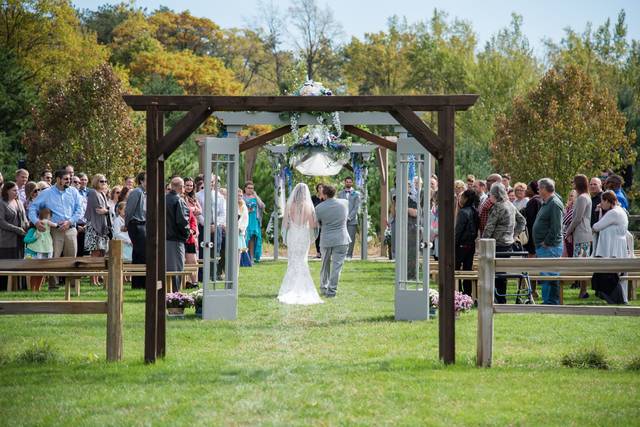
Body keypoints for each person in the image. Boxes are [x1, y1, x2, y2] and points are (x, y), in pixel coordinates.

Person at [28, 169, 83, 291]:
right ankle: (53, 286)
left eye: (69, 178)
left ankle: (73, 286)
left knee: (72, 259)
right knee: (53, 258)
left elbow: (79, 209)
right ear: (58, 179)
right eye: (66, 179)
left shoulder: (73, 192)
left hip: (70, 229)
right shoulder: (47, 193)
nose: (69, 181)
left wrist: (70, 222)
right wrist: (36, 222)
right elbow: (32, 207)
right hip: (55, 230)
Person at [277, 183, 323, 305]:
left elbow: (285, 224)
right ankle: (302, 286)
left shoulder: (289, 205)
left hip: (293, 234)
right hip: (303, 235)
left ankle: (290, 286)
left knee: (292, 260)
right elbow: (313, 226)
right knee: (302, 260)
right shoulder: (308, 206)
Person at [482, 183, 526, 303]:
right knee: (502, 274)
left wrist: (482, 243)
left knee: (494, 274)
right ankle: (502, 298)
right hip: (508, 245)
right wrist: (514, 234)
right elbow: (522, 221)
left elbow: (489, 227)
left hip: (496, 245)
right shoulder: (510, 205)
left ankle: (496, 299)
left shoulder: (498, 207)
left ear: (495, 194)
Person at [592, 190, 630, 304]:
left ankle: (619, 299)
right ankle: (616, 299)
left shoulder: (614, 213)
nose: (601, 204)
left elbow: (597, 226)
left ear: (608, 201)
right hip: (613, 247)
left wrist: (600, 213)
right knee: (605, 274)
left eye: (602, 201)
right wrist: (600, 212)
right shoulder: (618, 211)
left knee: (610, 276)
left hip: (613, 248)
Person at [315, 184, 351, 298]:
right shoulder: (345, 203)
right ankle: (332, 291)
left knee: (324, 265)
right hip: (342, 238)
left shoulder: (319, 208)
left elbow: (317, 223)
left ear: (324, 194)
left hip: (326, 239)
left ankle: (323, 287)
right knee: (337, 267)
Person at [532, 178, 564, 305]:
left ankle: (551, 301)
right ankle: (548, 300)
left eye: (539, 188)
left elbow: (556, 227)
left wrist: (547, 242)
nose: (538, 190)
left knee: (550, 275)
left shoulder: (554, 203)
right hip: (544, 247)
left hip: (550, 247)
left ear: (545, 189)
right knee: (546, 275)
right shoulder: (547, 202)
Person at [565, 175, 592, 299]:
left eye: (574, 182)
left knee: (582, 263)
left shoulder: (582, 198)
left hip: (582, 233)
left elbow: (577, 218)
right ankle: (582, 290)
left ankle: (583, 290)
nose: (572, 184)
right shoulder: (585, 196)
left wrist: (568, 232)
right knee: (581, 262)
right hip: (581, 232)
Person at [197, 175, 227, 281]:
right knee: (203, 250)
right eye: (209, 181)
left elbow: (223, 213)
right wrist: (206, 224)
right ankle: (202, 275)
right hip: (203, 226)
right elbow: (197, 213)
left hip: (216, 227)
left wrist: (216, 224)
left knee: (215, 250)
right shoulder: (198, 196)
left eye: (213, 181)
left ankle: (213, 273)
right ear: (204, 181)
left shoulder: (219, 196)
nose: (211, 183)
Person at [0, 182, 28, 291]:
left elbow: (24, 217)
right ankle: (4, 287)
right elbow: (1, 222)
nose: (17, 192)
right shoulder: (2, 203)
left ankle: (20, 287)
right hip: (7, 240)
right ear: (7, 191)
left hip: (20, 239)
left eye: (17, 190)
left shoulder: (19, 202)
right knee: (7, 263)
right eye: (14, 190)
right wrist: (17, 229)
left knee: (19, 262)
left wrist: (27, 225)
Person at [85, 174, 111, 286]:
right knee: (95, 254)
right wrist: (106, 210)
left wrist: (106, 210)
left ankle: (98, 278)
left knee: (101, 253)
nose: (104, 183)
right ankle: (93, 279)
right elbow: (99, 209)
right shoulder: (93, 192)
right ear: (96, 182)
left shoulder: (102, 194)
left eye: (105, 181)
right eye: (101, 181)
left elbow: (106, 210)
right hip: (94, 227)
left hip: (102, 227)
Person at [166, 177, 190, 293]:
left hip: (162, 238)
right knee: (176, 269)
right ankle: (175, 295)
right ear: (181, 187)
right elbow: (182, 221)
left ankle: (165, 293)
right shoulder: (178, 201)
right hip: (175, 239)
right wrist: (186, 234)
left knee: (165, 268)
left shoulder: (162, 199)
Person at [24, 207, 56, 291]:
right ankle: (32, 290)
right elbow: (26, 240)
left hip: (45, 252)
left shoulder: (47, 229)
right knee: (34, 273)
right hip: (34, 254)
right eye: (48, 216)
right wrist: (34, 238)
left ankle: (38, 289)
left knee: (41, 272)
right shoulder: (32, 230)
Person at [455, 189, 480, 297]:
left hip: (461, 244)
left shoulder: (463, 212)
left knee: (456, 269)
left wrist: (454, 244)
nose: (460, 199)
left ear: (466, 198)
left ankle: (457, 291)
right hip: (471, 245)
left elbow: (459, 230)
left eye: (462, 197)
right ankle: (468, 293)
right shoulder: (475, 211)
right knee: (468, 269)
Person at [125, 172, 146, 289]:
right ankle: (138, 283)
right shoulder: (136, 192)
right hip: (135, 224)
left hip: (142, 224)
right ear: (141, 181)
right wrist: (127, 224)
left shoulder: (143, 193)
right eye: (147, 180)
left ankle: (140, 283)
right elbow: (129, 210)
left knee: (140, 254)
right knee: (140, 254)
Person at [338, 177, 361, 259]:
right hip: (342, 220)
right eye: (347, 182)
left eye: (350, 182)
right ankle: (342, 254)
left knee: (351, 238)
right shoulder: (340, 193)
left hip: (352, 220)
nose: (348, 183)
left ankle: (349, 255)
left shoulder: (356, 193)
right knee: (342, 238)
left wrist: (349, 217)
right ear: (345, 183)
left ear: (352, 183)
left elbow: (356, 207)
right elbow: (339, 206)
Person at [183, 177, 201, 284]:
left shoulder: (193, 198)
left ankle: (194, 281)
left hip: (194, 227)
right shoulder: (182, 197)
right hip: (186, 227)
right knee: (187, 257)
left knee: (194, 256)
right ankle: (188, 280)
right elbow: (187, 211)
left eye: (191, 185)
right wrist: (193, 210)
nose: (189, 187)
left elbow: (200, 210)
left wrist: (194, 210)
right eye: (187, 185)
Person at [243, 181, 265, 263]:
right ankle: (245, 257)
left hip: (254, 220)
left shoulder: (255, 197)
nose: (250, 190)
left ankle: (251, 257)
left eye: (252, 188)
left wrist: (255, 195)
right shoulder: (242, 197)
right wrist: (247, 210)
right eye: (249, 188)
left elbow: (262, 206)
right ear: (245, 188)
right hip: (245, 219)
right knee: (246, 238)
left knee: (252, 238)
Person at [75, 172, 89, 257]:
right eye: (82, 180)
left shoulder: (90, 192)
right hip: (76, 224)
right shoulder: (74, 192)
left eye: (85, 180)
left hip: (86, 223)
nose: (83, 182)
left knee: (85, 250)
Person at [561, 190, 577, 257]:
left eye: (572, 196)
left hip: (571, 235)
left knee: (570, 253)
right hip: (565, 233)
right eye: (569, 196)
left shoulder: (574, 207)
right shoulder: (568, 207)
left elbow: (564, 220)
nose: (570, 198)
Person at [311, 183, 324, 258]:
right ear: (317, 189)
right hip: (315, 219)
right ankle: (318, 252)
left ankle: (323, 251)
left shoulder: (325, 198)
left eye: (322, 187)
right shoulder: (313, 198)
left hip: (324, 219)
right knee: (317, 236)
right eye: (319, 187)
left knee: (323, 236)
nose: (321, 189)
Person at [237, 188, 249, 264]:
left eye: (241, 195)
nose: (240, 197)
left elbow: (245, 219)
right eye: (238, 195)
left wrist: (241, 228)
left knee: (238, 251)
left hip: (239, 231)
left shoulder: (243, 206)